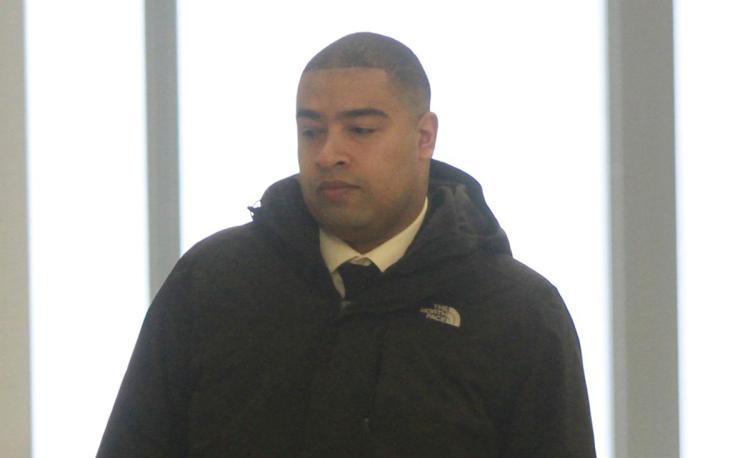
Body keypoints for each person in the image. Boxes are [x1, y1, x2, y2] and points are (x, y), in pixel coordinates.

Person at [98, 32, 596, 457]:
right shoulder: (212, 283)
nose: (329, 153)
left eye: (360, 130)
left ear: (425, 137)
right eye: (311, 131)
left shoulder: (517, 312)